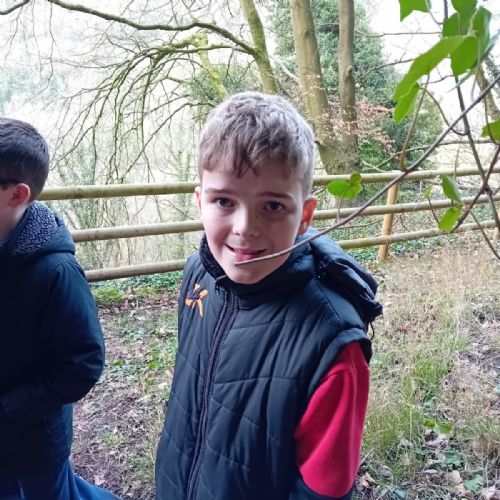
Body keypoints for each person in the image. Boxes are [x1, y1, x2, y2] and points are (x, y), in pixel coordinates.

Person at [155, 92, 382, 500]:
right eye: (224, 201)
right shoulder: (199, 274)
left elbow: (323, 491)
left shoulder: (333, 345)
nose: (245, 227)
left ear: (304, 216)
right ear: (200, 202)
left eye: (273, 206)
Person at [0, 118, 119, 499]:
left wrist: (8, 409)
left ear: (17, 195)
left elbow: (82, 363)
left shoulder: (56, 272)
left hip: (31, 442)